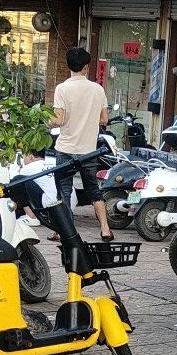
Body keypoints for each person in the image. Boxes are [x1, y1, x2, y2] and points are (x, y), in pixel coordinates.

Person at [51, 47, 113, 239]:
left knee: (64, 190)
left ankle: (62, 232)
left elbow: (58, 120)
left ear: (68, 65)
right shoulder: (97, 89)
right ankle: (105, 229)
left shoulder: (62, 88)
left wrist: (46, 120)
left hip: (66, 148)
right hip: (88, 150)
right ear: (86, 67)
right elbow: (104, 119)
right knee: (93, 189)